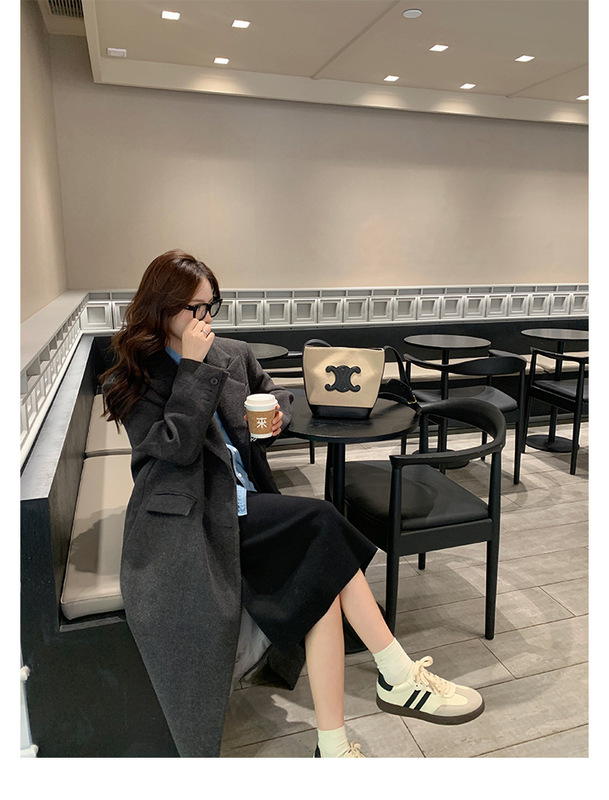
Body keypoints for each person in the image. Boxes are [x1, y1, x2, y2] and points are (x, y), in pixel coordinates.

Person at [101, 249, 484, 759]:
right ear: (162, 306)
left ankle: (334, 745)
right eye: (195, 308)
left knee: (320, 579)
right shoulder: (132, 377)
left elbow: (276, 394)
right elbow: (176, 450)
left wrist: (275, 418)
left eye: (212, 305)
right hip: (190, 515)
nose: (206, 318)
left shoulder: (231, 354)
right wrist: (191, 369)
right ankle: (396, 674)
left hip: (245, 501)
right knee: (321, 521)